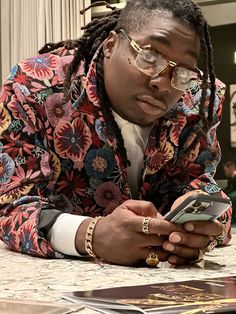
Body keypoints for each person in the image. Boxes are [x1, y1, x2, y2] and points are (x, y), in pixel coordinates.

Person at [0, 0, 232, 267]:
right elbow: (9, 203)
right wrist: (91, 235)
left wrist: (204, 226)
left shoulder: (200, 99)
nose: (163, 83)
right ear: (110, 45)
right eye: (149, 57)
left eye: (182, 72)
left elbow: (204, 183)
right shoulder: (34, 86)